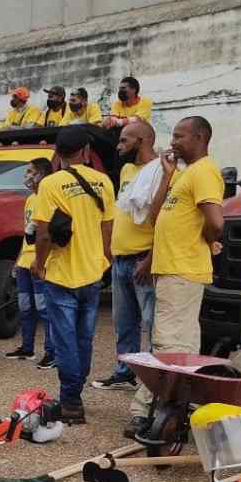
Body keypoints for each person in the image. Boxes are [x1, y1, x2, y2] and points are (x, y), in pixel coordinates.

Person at [128, 116, 224, 433]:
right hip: (171, 270)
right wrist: (168, 178)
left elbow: (216, 222)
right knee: (181, 346)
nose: (173, 142)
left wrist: (209, 241)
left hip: (182, 270)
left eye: (180, 136)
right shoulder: (184, 174)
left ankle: (147, 412)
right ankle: (179, 407)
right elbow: (156, 219)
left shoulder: (205, 171)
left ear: (199, 137)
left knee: (166, 344)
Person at [31, 127, 115, 424]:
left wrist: (39, 263)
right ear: (85, 151)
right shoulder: (104, 182)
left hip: (61, 274)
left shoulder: (51, 184)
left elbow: (42, 234)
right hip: (93, 272)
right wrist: (105, 257)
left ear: (59, 154)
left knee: (64, 339)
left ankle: (70, 400)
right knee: (84, 337)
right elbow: (107, 227)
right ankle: (75, 391)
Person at [92, 121, 159, 396]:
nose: (119, 147)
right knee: (124, 323)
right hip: (121, 259)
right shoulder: (128, 170)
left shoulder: (161, 172)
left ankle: (154, 379)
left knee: (152, 323)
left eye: (124, 141)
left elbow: (166, 222)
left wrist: (151, 259)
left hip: (143, 260)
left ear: (142, 140)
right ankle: (125, 373)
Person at [6, 158, 55, 368]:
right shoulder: (29, 199)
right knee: (25, 307)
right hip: (25, 263)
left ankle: (51, 352)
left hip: (39, 262)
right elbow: (26, 233)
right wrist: (18, 260)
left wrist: (40, 260)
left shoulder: (49, 197)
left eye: (30, 171)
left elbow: (46, 234)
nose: (26, 176)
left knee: (44, 309)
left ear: (42, 174)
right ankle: (27, 347)